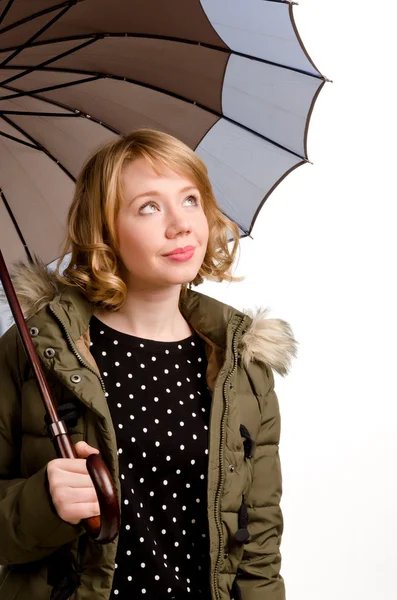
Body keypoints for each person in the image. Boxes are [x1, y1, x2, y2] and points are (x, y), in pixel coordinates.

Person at [0, 129, 297, 600]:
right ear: (104, 231)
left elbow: (258, 550)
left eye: (191, 200)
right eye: (149, 207)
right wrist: (44, 502)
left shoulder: (242, 364)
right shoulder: (37, 351)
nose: (180, 225)